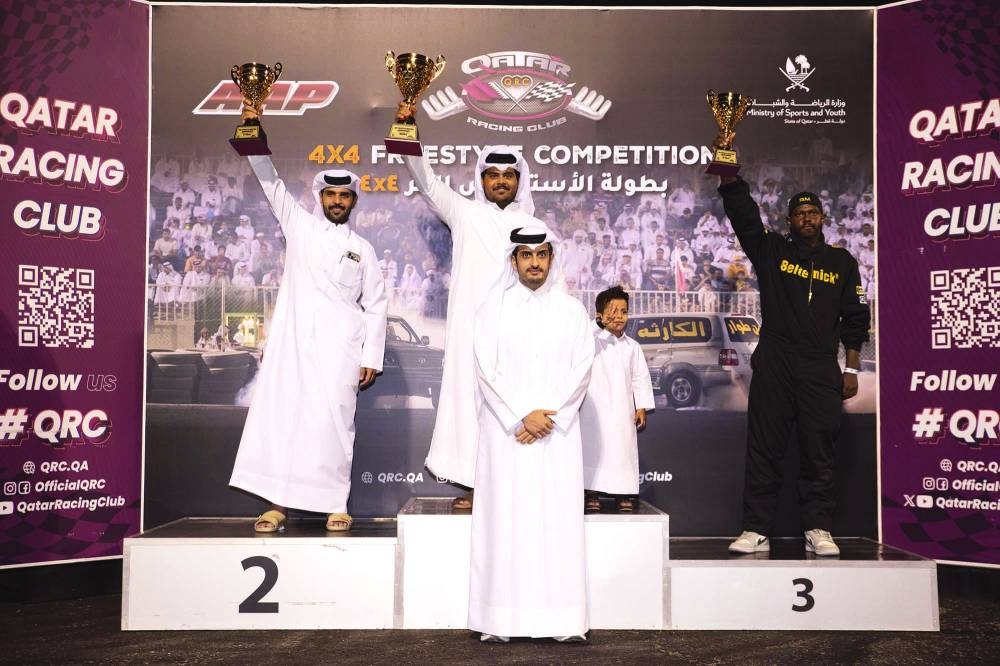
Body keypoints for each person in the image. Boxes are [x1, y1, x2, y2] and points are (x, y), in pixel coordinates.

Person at [230, 107, 388, 534]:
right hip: (293, 347)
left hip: (341, 352)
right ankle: (277, 504)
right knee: (285, 420)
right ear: (320, 198)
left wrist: (371, 354)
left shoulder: (363, 249)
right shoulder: (298, 226)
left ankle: (334, 502)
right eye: (330, 195)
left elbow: (376, 303)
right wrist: (252, 129)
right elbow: (270, 181)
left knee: (334, 423)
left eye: (345, 196)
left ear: (353, 200)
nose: (337, 201)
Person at [713, 131, 870, 557]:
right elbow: (744, 217)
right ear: (789, 220)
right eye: (799, 212)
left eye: (812, 212)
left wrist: (851, 367)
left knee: (819, 450)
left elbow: (856, 318)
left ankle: (818, 527)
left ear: (822, 219)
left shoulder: (843, 262)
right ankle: (755, 529)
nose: (806, 217)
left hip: (821, 365)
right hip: (776, 361)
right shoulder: (771, 251)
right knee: (764, 447)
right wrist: (729, 174)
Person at [395, 101, 543, 510]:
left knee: (517, 403)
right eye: (492, 175)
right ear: (482, 179)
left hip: (518, 330)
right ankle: (477, 486)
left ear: (519, 181)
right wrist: (409, 130)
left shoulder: (536, 229)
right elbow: (425, 180)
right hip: (470, 331)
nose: (500, 181)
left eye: (508, 175)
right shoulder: (464, 212)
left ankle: (515, 489)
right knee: (470, 405)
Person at [470, 226, 594, 643]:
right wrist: (522, 414)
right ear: (514, 261)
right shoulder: (492, 308)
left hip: (556, 438)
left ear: (551, 260)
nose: (535, 262)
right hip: (508, 436)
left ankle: (563, 622)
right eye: (526, 255)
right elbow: (487, 370)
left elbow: (582, 370)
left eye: (542, 254)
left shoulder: (572, 311)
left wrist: (550, 419)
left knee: (555, 525)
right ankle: (499, 621)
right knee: (505, 524)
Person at [581, 286, 655, 513]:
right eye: (612, 312)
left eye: (623, 311)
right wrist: (598, 326)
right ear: (600, 315)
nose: (618, 317)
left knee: (623, 452)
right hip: (593, 410)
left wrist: (641, 406)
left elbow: (640, 378)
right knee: (593, 450)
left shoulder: (632, 347)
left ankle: (625, 493)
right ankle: (590, 492)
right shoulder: (590, 341)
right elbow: (581, 337)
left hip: (623, 412)